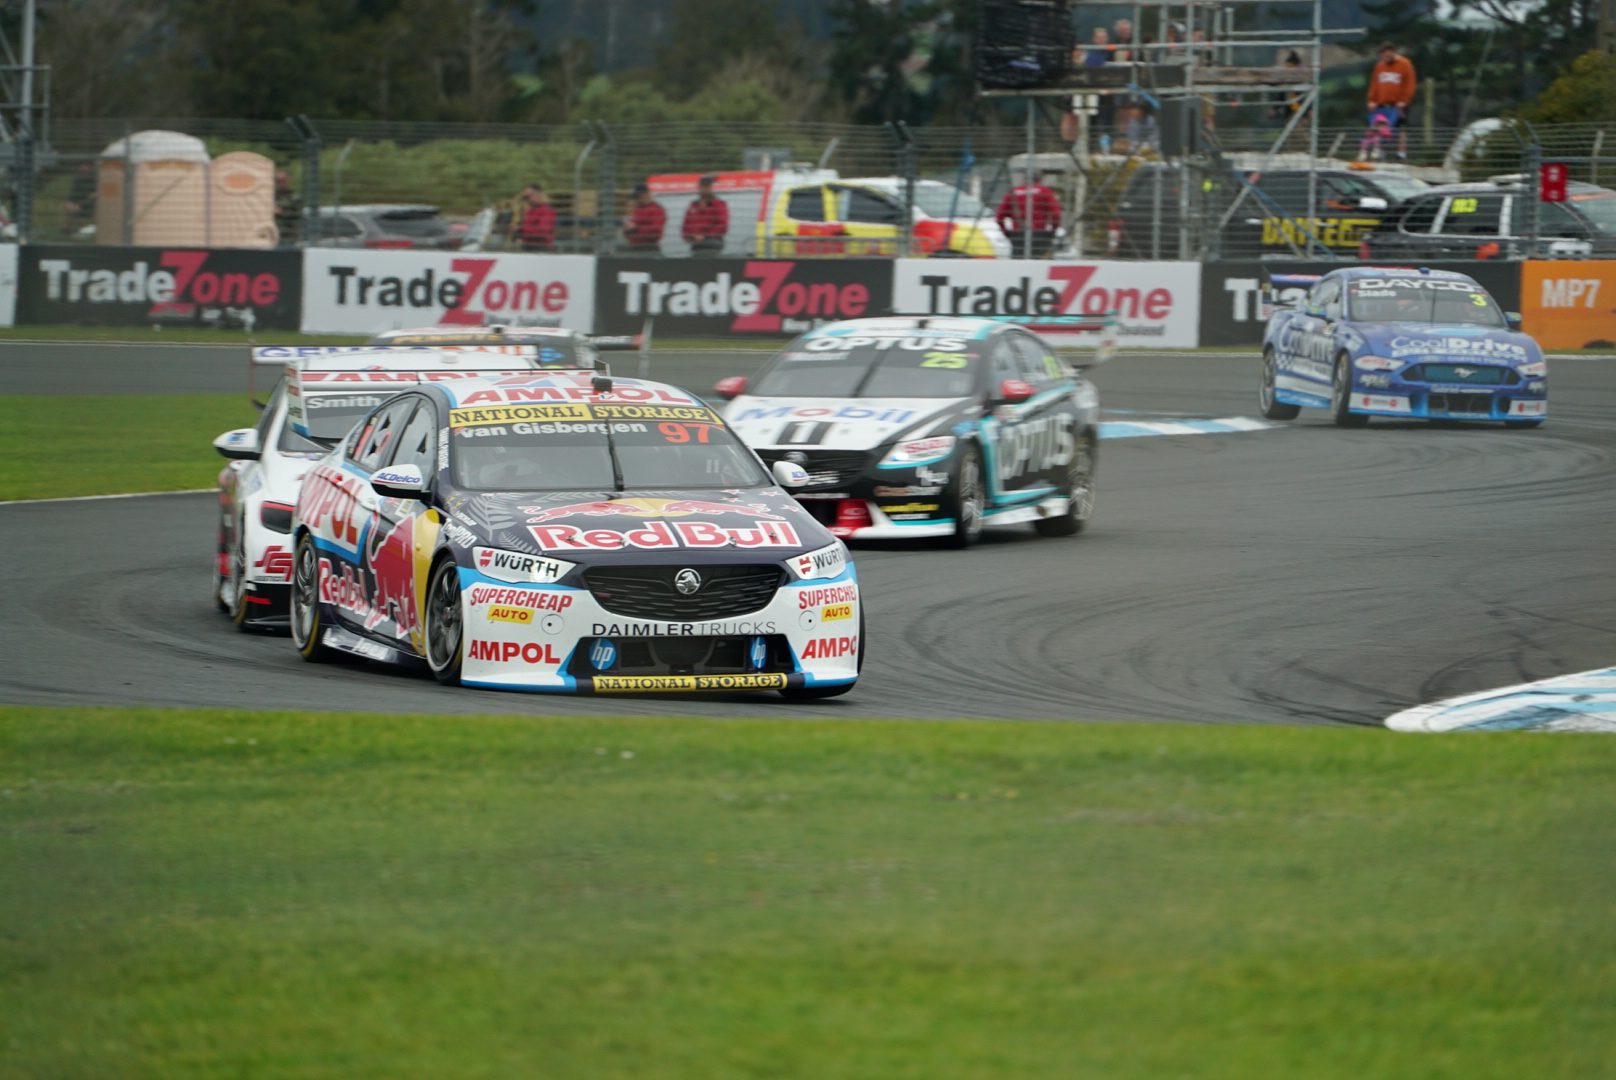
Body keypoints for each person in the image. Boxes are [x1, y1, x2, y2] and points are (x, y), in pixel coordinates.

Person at [1366, 41, 1417, 161]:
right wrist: (1372, 100)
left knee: (1400, 128)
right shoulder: (1380, 67)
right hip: (1381, 104)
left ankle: (1401, 153)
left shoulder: (1405, 64)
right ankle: (1381, 152)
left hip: (1399, 103)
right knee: (1380, 127)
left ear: (1394, 53)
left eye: (1388, 56)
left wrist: (1404, 100)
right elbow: (1374, 84)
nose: (1386, 58)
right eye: (1384, 56)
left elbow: (1410, 84)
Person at [996, 173, 1061, 257]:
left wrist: (1007, 233)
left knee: (1018, 262)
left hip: (1018, 235)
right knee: (1041, 262)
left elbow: (999, 217)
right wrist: (1053, 231)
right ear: (1039, 180)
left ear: (1024, 180)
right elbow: (1056, 214)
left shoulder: (1013, 192)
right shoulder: (1045, 191)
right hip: (1039, 235)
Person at [680, 175, 728, 254]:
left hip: (713, 242)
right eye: (703, 186)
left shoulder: (718, 204)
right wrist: (689, 236)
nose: (705, 189)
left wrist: (705, 236)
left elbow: (722, 225)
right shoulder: (693, 205)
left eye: (707, 186)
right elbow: (686, 224)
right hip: (696, 244)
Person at [622, 182, 666, 252]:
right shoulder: (636, 209)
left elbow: (657, 231)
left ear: (647, 194)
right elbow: (629, 227)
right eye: (636, 197)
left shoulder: (656, 209)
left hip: (649, 249)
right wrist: (626, 229)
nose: (637, 199)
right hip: (634, 248)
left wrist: (636, 229)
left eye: (638, 196)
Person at [514, 183, 556, 251]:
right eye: (525, 197)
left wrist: (522, 229)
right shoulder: (531, 211)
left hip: (540, 248)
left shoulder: (546, 210)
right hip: (529, 247)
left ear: (538, 194)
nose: (526, 200)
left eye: (528, 196)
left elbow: (543, 231)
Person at [274, 169, 301, 246]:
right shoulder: (271, 197)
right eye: (278, 181)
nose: (281, 183)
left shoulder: (294, 198)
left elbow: (297, 215)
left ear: (288, 180)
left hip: (288, 235)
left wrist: (281, 212)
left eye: (283, 180)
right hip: (273, 234)